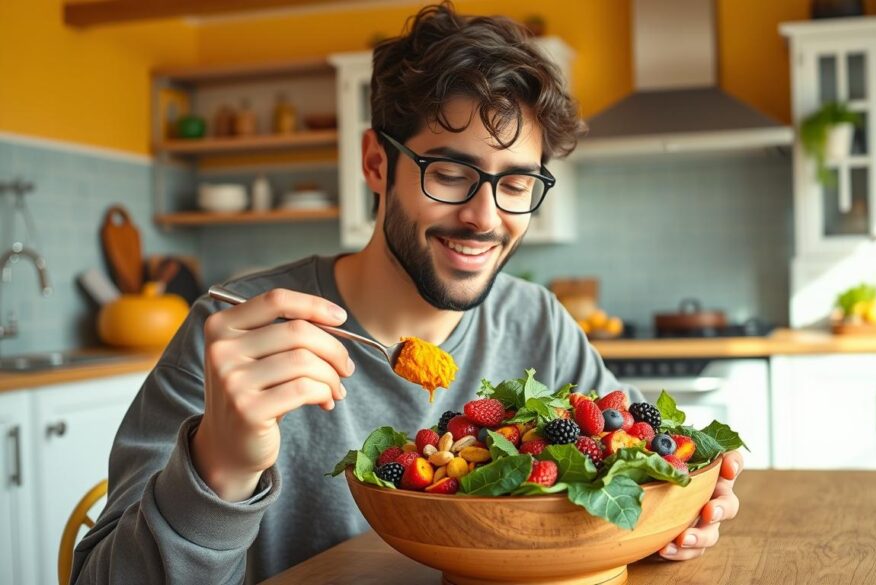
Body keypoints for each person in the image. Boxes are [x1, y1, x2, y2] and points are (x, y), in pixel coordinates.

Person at [72, 3, 742, 583]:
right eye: (450, 172)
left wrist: (676, 516)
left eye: (515, 183)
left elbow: (622, 485)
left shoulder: (537, 320)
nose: (485, 217)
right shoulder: (237, 334)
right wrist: (215, 468)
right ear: (375, 163)